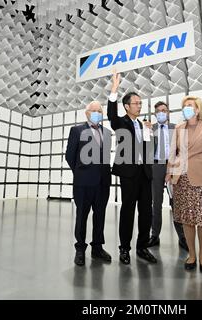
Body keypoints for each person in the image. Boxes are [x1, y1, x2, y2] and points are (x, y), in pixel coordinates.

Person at [107, 72, 157, 265]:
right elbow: (111, 114)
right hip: (128, 173)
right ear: (127, 106)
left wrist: (150, 133)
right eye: (136, 103)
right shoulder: (120, 122)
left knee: (146, 211)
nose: (139, 105)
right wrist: (114, 89)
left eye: (140, 103)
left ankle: (142, 247)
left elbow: (148, 149)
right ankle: (124, 249)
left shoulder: (144, 124)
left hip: (145, 173)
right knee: (128, 211)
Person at [166, 96, 202, 273]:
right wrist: (169, 172)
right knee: (187, 220)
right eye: (184, 106)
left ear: (198, 109)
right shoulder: (179, 128)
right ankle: (192, 255)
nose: (185, 109)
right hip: (182, 179)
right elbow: (173, 152)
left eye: (189, 106)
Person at [65, 101, 112, 266]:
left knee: (100, 216)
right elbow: (70, 156)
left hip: (103, 183)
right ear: (86, 113)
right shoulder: (77, 130)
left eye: (100, 111)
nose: (97, 113)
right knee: (81, 216)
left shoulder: (107, 133)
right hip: (83, 183)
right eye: (94, 111)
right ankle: (80, 249)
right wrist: (80, 172)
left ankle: (97, 248)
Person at [147, 101, 188, 251]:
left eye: (164, 110)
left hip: (173, 166)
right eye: (158, 111)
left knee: (176, 202)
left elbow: (181, 149)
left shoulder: (175, 128)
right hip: (156, 166)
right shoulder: (150, 129)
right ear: (155, 114)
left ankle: (182, 236)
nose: (161, 113)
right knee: (156, 203)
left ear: (168, 112)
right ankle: (154, 235)